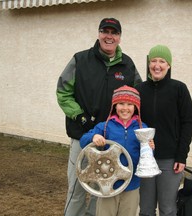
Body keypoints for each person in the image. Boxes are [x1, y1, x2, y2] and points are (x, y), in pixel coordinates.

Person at [56, 18, 142, 216]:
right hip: (82, 136)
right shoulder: (80, 59)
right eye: (105, 31)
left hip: (112, 141)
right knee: (77, 189)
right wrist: (79, 117)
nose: (109, 36)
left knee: (102, 190)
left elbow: (137, 99)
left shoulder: (128, 65)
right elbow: (63, 92)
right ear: (98, 33)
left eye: (114, 33)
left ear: (119, 37)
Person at [135, 45, 192, 216]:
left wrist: (181, 155)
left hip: (170, 160)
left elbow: (188, 123)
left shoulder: (179, 89)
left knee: (168, 209)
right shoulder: (140, 90)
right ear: (148, 64)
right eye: (153, 61)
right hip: (145, 157)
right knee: (146, 209)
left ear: (168, 65)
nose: (157, 65)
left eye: (162, 61)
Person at [80, 85, 154, 216]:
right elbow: (83, 140)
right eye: (121, 103)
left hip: (132, 183)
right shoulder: (105, 126)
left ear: (136, 107)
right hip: (107, 183)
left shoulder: (142, 128)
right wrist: (94, 137)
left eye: (130, 104)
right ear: (115, 106)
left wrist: (150, 149)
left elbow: (147, 157)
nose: (125, 108)